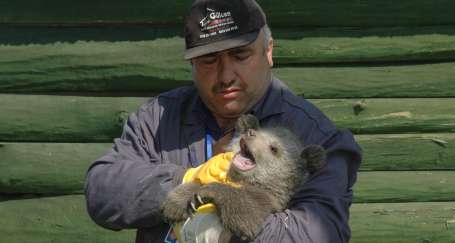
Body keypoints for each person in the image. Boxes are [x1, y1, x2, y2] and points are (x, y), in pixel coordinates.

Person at [84, 0, 362, 242]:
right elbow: (102, 191)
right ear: (191, 64)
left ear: (268, 51)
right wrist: (187, 179)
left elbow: (321, 234)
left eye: (240, 55)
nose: (226, 74)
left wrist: (223, 226)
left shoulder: (316, 135)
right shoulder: (158, 117)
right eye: (209, 59)